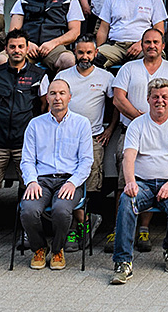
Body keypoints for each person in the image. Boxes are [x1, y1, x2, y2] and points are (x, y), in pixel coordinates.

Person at [110, 29, 168, 251]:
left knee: (155, 173)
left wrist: (156, 119)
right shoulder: (128, 68)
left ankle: (144, 229)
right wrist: (142, 120)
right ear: (141, 44)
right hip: (131, 131)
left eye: (156, 42)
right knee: (125, 183)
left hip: (166, 131)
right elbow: (118, 98)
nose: (151, 45)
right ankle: (119, 231)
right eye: (147, 42)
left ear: (163, 45)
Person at [112, 79, 168, 284]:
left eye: (164, 97)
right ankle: (123, 262)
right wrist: (130, 182)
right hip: (142, 184)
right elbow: (128, 157)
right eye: (155, 97)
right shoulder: (137, 124)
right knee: (126, 202)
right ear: (148, 99)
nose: (160, 100)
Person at [0, 30, 51, 250]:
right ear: (6, 49)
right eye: (12, 46)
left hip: (25, 143)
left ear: (27, 48)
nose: (17, 50)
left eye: (21, 46)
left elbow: (43, 106)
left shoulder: (39, 75)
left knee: (27, 186)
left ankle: (26, 231)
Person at [19, 80, 99, 270]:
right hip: (41, 180)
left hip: (70, 180)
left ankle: (57, 249)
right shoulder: (35, 124)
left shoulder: (81, 123)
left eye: (62, 93)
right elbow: (27, 160)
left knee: (61, 210)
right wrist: (31, 181)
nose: (57, 97)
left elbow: (86, 161)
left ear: (69, 97)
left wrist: (73, 182)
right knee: (28, 210)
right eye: (53, 93)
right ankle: (39, 248)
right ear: (47, 97)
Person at [54, 38, 117, 251]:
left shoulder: (106, 77)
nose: (85, 57)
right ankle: (78, 226)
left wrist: (109, 129)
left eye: (89, 52)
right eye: (81, 52)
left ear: (96, 53)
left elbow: (116, 105)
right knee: (68, 184)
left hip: (93, 139)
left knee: (90, 187)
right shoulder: (63, 77)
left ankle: (81, 227)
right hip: (66, 139)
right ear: (74, 52)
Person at [1, 0, 84, 70]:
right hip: (26, 47)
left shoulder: (69, 0)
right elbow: (13, 30)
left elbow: (75, 32)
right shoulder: (24, 0)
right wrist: (26, 43)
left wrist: (53, 43)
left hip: (55, 47)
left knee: (68, 60)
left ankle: (56, 81)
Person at [95, 0, 167, 68]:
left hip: (143, 46)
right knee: (94, 58)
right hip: (116, 46)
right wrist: (99, 48)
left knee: (156, 57)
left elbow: (159, 29)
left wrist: (142, 43)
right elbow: (103, 29)